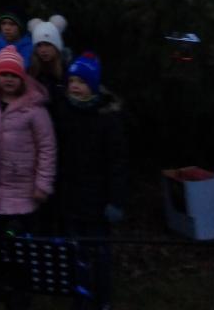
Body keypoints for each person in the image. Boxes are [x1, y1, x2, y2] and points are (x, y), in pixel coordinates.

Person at [0, 46, 57, 309]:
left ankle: (20, 291)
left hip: (22, 192)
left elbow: (47, 147)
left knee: (20, 248)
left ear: (22, 78)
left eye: (14, 75)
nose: (8, 80)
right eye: (4, 75)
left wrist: (43, 184)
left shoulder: (34, 108)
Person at [53, 52, 126, 310]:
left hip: (98, 200)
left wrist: (116, 200)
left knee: (99, 252)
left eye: (82, 82)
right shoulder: (64, 111)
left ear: (93, 85)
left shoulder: (107, 119)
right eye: (72, 80)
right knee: (76, 251)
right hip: (70, 196)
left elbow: (117, 163)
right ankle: (80, 296)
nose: (75, 86)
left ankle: (101, 297)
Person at [28, 16, 69, 105]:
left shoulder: (69, 71)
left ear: (57, 46)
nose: (43, 50)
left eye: (47, 44)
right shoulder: (32, 72)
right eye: (39, 45)